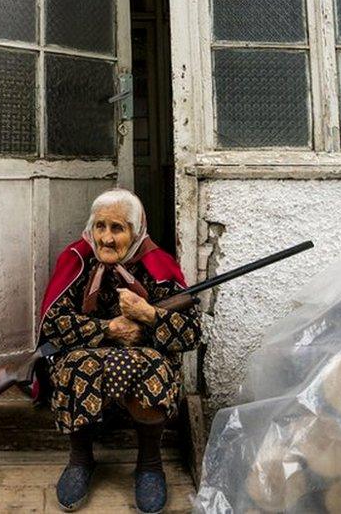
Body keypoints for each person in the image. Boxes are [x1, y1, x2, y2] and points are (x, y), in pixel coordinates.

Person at [37, 188, 202, 513]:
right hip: (86, 360)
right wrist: (106, 329)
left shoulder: (157, 265)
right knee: (76, 364)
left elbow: (191, 334)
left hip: (144, 360)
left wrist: (150, 315)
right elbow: (53, 324)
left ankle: (150, 464)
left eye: (117, 228)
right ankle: (80, 459)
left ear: (136, 232)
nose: (107, 239)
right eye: (100, 227)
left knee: (153, 366)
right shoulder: (77, 262)